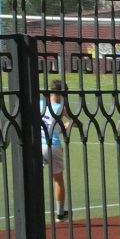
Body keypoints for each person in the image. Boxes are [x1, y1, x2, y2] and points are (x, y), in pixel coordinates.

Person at [40, 79, 74, 222]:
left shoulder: (40, 104)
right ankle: (60, 213)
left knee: (34, 179)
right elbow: (76, 122)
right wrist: (69, 124)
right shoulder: (61, 108)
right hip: (53, 144)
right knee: (58, 179)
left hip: (38, 143)